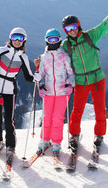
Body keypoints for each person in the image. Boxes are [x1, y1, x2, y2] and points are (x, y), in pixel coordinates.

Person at [61, 3, 108, 154]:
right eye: (68, 29)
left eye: (74, 26)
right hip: (80, 81)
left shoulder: (89, 36)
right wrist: (41, 60)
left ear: (79, 25)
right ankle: (74, 136)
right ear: (65, 31)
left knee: (100, 110)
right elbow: (54, 55)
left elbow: (103, 27)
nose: (72, 31)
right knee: (77, 111)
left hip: (97, 79)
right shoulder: (65, 45)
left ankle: (99, 135)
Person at [0, 27, 41, 166]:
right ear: (10, 38)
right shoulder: (2, 51)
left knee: (9, 119)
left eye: (20, 38)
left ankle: (10, 146)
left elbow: (28, 76)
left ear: (24, 40)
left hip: (10, 90)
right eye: (15, 38)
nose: (17, 41)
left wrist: (37, 77)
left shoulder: (23, 57)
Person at [37, 28, 75, 157]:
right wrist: (40, 86)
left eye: (56, 39)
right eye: (50, 40)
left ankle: (56, 142)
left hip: (62, 92)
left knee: (58, 118)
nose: (53, 42)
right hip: (48, 92)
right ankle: (45, 139)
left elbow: (71, 73)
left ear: (59, 41)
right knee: (47, 117)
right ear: (46, 41)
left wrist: (70, 85)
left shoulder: (64, 56)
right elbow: (41, 74)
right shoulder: (44, 57)